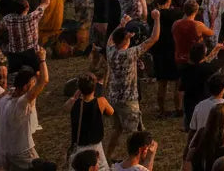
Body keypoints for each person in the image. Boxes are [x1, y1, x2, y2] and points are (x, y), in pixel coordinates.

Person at [106, 11, 161, 155]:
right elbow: (153, 38)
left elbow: (111, 39)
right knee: (134, 135)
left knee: (117, 129)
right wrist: (156, 18)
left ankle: (107, 156)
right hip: (128, 100)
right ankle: (134, 161)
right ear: (126, 40)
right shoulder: (129, 54)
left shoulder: (110, 51)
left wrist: (121, 25)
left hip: (113, 97)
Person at [0, 50, 49, 171]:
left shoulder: (3, 99)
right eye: (32, 83)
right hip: (21, 152)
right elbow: (44, 81)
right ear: (25, 87)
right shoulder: (21, 103)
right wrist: (42, 59)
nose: (34, 86)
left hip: (4, 150)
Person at [66, 74, 114, 171]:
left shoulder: (73, 103)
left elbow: (65, 108)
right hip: (96, 147)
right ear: (94, 87)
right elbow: (111, 112)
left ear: (79, 89)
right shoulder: (101, 101)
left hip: (79, 147)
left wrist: (75, 97)